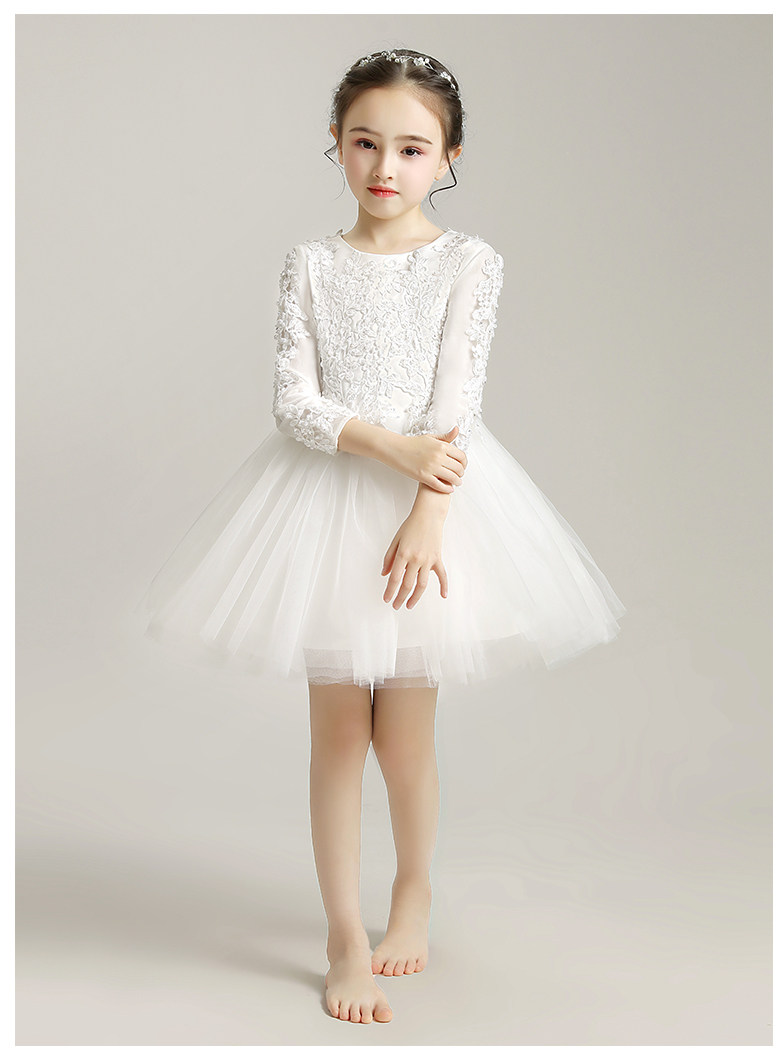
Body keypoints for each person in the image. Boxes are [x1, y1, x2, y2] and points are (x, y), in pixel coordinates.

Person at [136, 47, 626, 1024]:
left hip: (431, 509)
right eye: (365, 143)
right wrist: (390, 450)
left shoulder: (467, 262)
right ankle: (342, 937)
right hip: (321, 503)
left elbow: (457, 402)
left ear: (449, 157)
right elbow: (293, 403)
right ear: (336, 144)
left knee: (404, 740)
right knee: (337, 737)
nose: (385, 167)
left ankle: (412, 894)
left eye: (411, 148)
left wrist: (429, 511)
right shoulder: (311, 264)